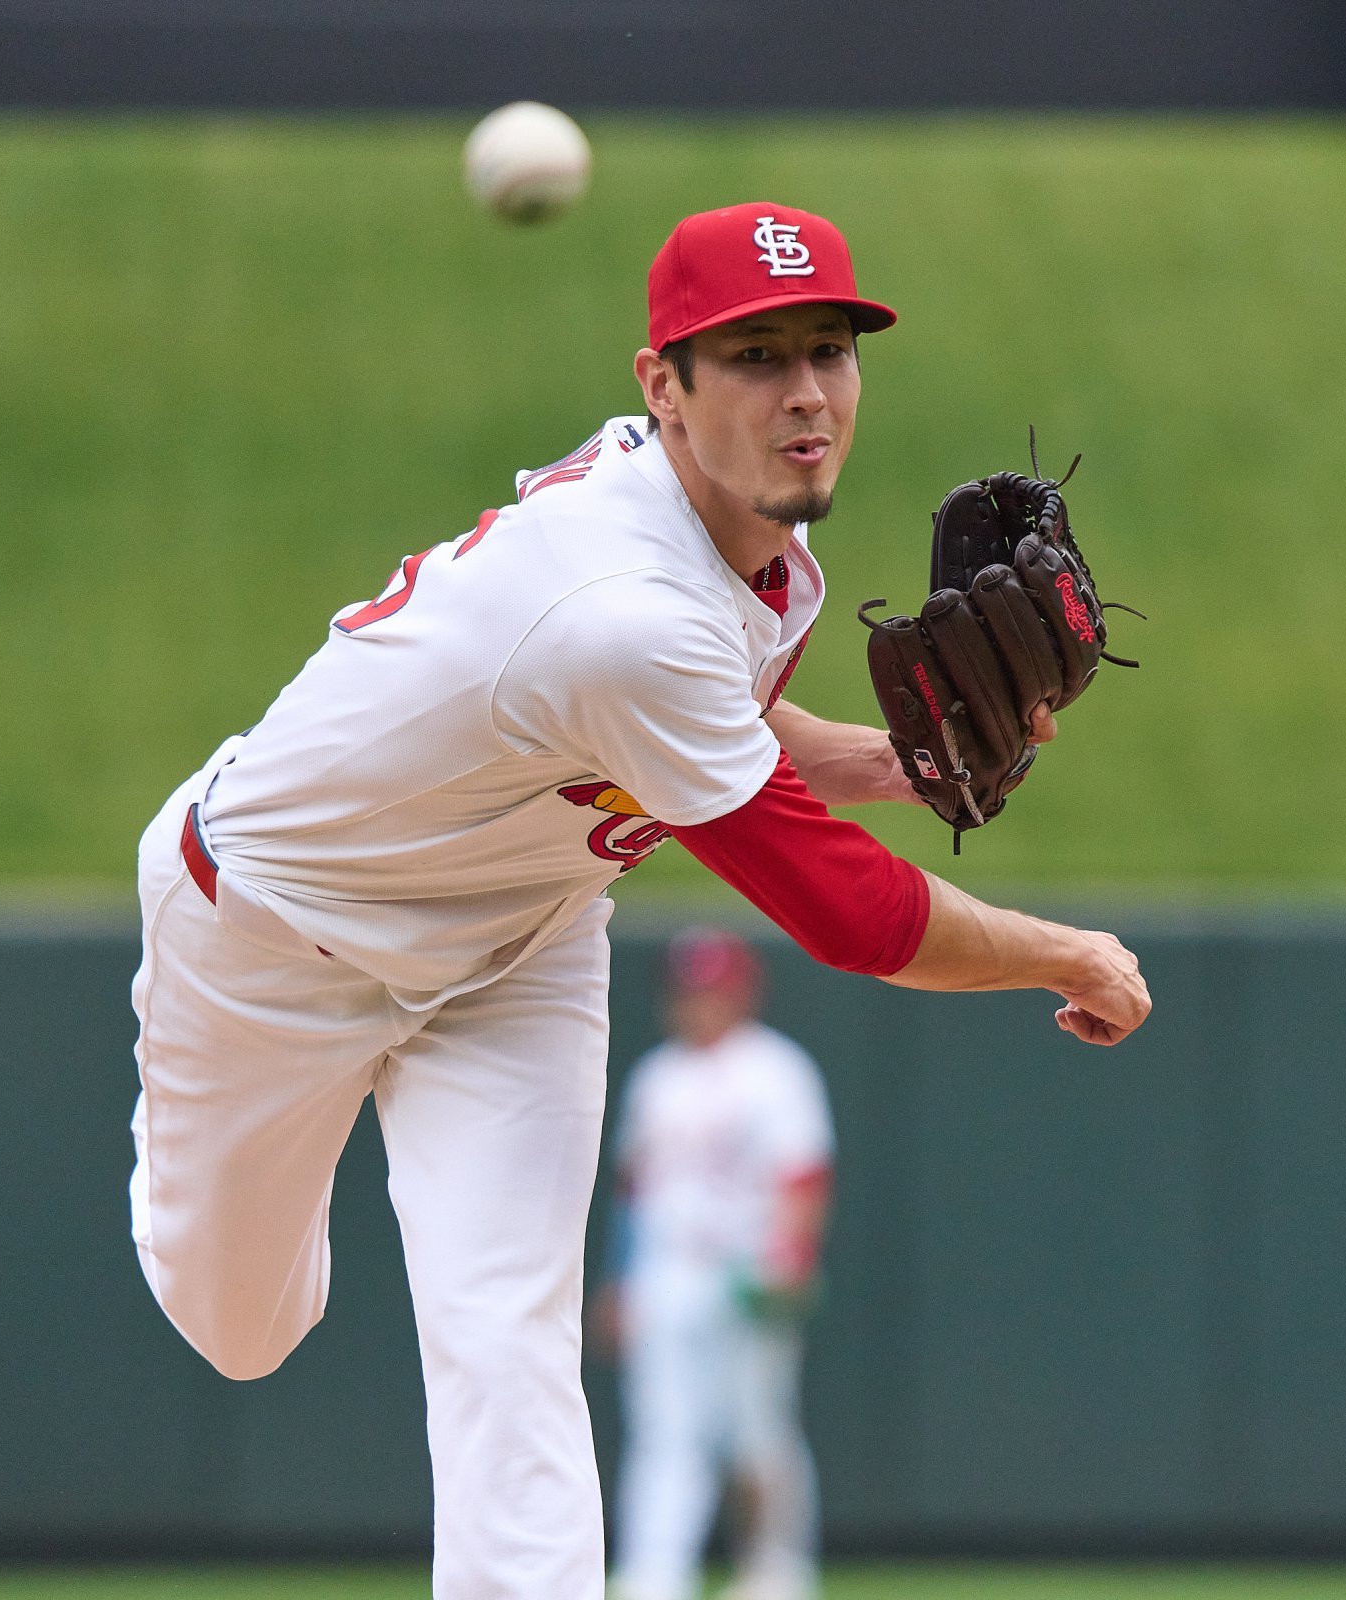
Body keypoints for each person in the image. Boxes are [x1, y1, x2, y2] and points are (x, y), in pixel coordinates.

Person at [126, 200, 1150, 1600]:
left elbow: (709, 730)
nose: (806, 393)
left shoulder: (764, 560)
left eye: (831, 349)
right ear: (660, 387)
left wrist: (905, 770)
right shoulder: (621, 607)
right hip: (268, 939)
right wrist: (1066, 952)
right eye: (755, 357)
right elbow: (851, 915)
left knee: (509, 1334)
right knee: (242, 1326)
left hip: (517, 945)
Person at [598, 927, 834, 1600]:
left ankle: (777, 1567)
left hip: (745, 1270)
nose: (701, 1001)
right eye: (690, 988)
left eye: (714, 987)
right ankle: (656, 1572)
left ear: (743, 991)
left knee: (757, 1432)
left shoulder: (774, 1067)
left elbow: (804, 1175)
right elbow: (635, 1188)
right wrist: (620, 1278)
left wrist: (790, 1256)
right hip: (667, 1272)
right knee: (663, 1432)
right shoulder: (657, 1077)